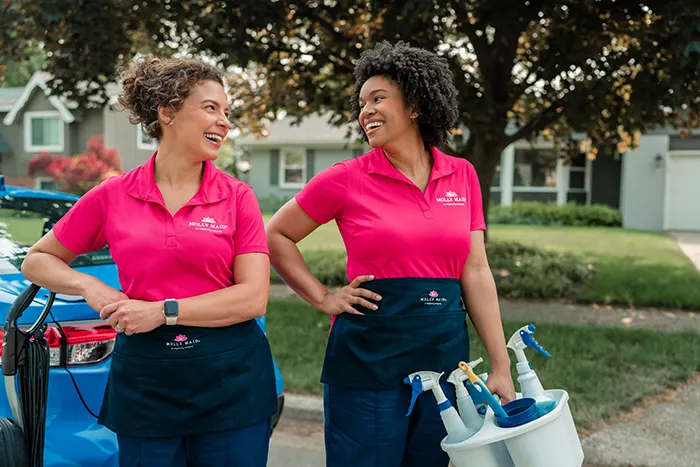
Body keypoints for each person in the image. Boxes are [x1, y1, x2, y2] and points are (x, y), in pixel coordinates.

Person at [266, 41, 516, 466]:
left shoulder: (463, 175)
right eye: (362, 103)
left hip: (445, 360)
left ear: (415, 105)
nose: (365, 112)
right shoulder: (345, 179)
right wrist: (323, 297)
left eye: (378, 99)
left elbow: (475, 271)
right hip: (367, 361)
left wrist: (500, 366)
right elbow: (276, 235)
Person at [21, 57, 277, 467]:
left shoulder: (237, 197)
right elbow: (38, 260)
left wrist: (162, 312)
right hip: (147, 384)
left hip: (232, 382)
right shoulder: (113, 195)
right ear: (168, 111)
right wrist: (93, 288)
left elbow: (253, 299)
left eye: (226, 112)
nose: (224, 122)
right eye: (210, 108)